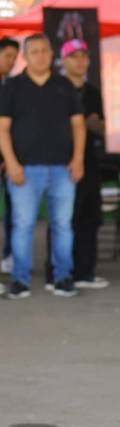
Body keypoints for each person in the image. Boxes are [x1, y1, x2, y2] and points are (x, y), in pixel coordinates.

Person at [0, 34, 84, 299]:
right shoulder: (12, 87)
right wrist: (11, 163)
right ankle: (20, 280)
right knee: (23, 225)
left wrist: (78, 159)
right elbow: (2, 129)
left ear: (52, 54)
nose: (40, 56)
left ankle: (63, 277)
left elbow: (78, 125)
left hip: (63, 168)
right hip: (24, 169)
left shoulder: (64, 85)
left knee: (62, 225)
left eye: (45, 51)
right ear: (25, 56)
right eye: (34, 51)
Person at [39, 40, 106, 291]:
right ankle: (56, 273)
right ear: (63, 61)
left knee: (90, 217)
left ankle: (84, 272)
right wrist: (83, 122)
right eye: (74, 56)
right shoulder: (55, 89)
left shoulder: (92, 92)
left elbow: (99, 125)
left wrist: (88, 123)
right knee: (63, 219)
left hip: (90, 161)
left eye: (83, 56)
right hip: (61, 162)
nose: (80, 61)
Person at [0, 36, 19, 276]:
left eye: (15, 57)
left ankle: (10, 255)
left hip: (10, 159)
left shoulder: (12, 86)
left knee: (14, 211)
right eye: (7, 56)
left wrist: (8, 157)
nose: (11, 61)